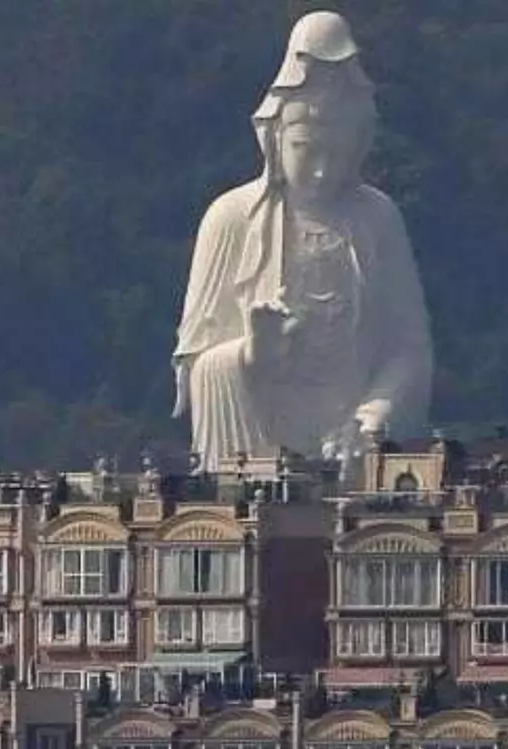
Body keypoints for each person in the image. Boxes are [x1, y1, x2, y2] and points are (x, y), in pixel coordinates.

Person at [172, 11, 434, 472]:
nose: (321, 169)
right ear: (275, 139)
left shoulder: (378, 219)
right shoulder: (230, 218)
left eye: (337, 152)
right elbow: (196, 366)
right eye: (306, 149)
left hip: (353, 447)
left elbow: (409, 349)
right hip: (258, 445)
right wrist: (249, 355)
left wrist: (373, 418)